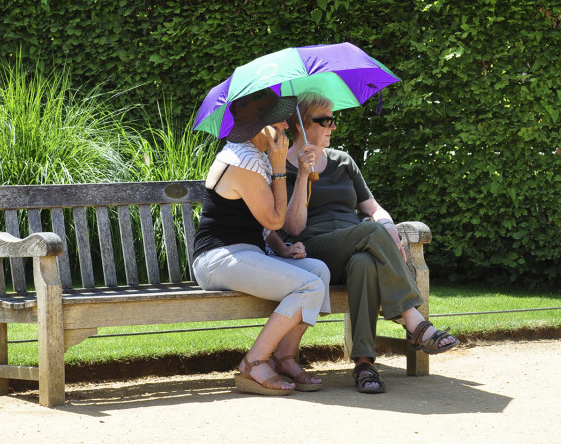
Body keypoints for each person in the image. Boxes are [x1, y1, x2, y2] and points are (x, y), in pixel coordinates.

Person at [275, 91, 458, 394]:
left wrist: (388, 226)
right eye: (326, 121)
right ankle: (413, 320)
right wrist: (304, 174)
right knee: (371, 232)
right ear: (301, 125)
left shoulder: (343, 161)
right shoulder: (283, 167)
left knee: (364, 261)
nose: (334, 126)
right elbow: (293, 227)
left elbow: (373, 208)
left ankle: (364, 365)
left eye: (334, 119)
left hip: (358, 246)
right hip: (314, 251)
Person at [192, 88, 331, 396]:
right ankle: (253, 363)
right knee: (309, 286)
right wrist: (280, 166)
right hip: (218, 260)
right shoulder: (242, 161)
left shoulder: (254, 156)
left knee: (318, 272)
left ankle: (285, 357)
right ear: (259, 127)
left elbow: (261, 223)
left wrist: (283, 248)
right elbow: (275, 220)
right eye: (279, 121)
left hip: (244, 255)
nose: (286, 125)